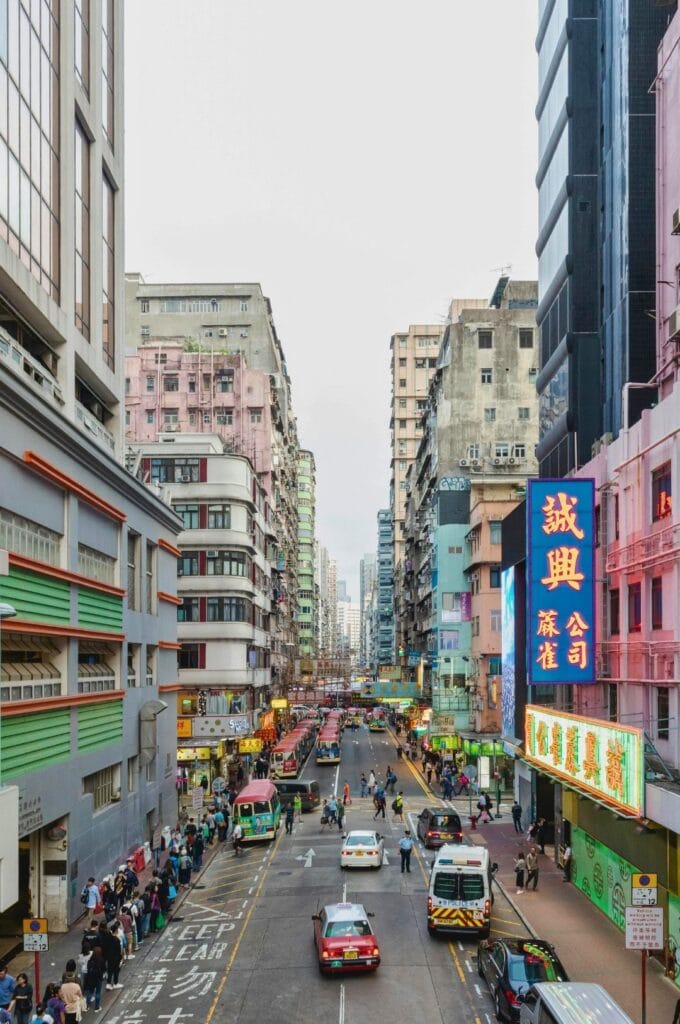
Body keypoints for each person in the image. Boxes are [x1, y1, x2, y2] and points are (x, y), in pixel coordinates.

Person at [83, 942, 105, 1013]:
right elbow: (104, 969)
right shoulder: (101, 960)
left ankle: (87, 1006)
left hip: (91, 978)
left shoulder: (90, 960)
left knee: (90, 992)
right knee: (98, 993)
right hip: (98, 978)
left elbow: (88, 968)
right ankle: (97, 1007)